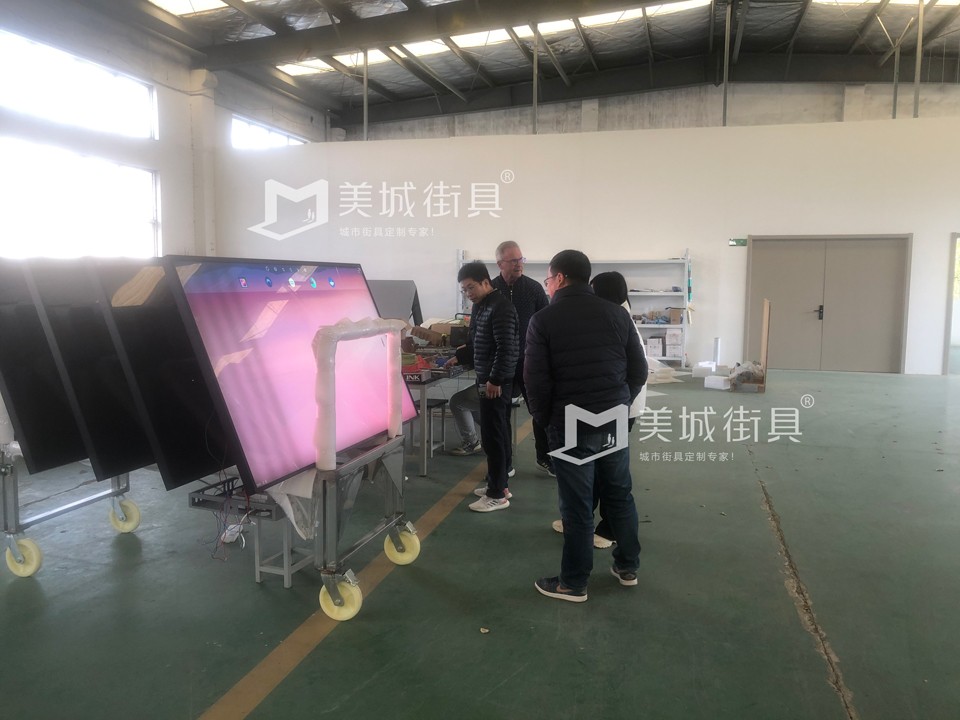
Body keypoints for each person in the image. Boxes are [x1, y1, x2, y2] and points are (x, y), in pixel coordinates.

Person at [525, 250, 648, 602]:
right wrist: (619, 403)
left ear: (560, 278)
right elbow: (639, 371)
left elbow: (535, 381)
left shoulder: (544, 320)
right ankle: (627, 567)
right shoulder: (617, 314)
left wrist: (546, 419)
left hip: (570, 423)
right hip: (613, 419)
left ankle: (573, 583)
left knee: (577, 506)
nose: (548, 286)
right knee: (619, 495)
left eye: (549, 280)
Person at [550, 270, 648, 548]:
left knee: (610, 477)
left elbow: (637, 371)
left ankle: (608, 529)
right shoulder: (610, 317)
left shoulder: (618, 319)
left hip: (620, 408)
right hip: (610, 407)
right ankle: (583, 521)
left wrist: (621, 402)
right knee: (595, 470)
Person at [446, 262, 519, 512]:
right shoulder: (482, 306)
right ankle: (499, 484)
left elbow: (507, 347)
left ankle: (497, 494)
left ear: (486, 282)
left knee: (494, 435)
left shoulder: (501, 307)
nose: (468, 294)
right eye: (464, 290)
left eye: (471, 287)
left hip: (495, 383)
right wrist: (460, 357)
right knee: (495, 432)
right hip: (487, 379)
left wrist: (496, 379)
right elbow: (479, 342)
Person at [489, 241, 552, 475]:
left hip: (529, 362)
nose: (519, 264)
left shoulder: (534, 289)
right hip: (501, 363)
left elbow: (546, 324)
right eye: (513, 260)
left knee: (540, 410)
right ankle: (504, 464)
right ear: (500, 264)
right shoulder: (490, 290)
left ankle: (544, 458)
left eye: (521, 259)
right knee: (500, 415)